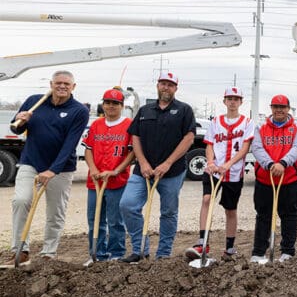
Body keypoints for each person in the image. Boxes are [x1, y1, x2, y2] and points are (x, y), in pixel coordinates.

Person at [5, 70, 88, 266]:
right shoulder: (35, 101)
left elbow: (70, 144)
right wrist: (19, 122)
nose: (62, 86)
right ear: (51, 84)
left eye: (66, 84)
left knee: (55, 211)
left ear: (73, 87)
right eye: (58, 83)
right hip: (31, 162)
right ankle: (20, 251)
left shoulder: (79, 111)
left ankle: (48, 254)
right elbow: (15, 128)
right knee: (20, 200)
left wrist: (53, 170)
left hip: (61, 168)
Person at [119, 72, 195, 262]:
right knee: (127, 205)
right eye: (163, 83)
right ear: (157, 85)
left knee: (168, 212)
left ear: (175, 88)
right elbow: (135, 136)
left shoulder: (184, 110)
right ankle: (140, 249)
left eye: (170, 85)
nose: (165, 87)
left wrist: (168, 163)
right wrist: (143, 162)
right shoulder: (145, 110)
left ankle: (163, 254)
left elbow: (189, 138)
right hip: (143, 171)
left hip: (172, 172)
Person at [185, 87, 254, 261]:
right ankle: (202, 243)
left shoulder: (247, 122)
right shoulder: (216, 121)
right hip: (214, 170)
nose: (232, 101)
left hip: (234, 173)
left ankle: (229, 248)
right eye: (229, 98)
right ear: (224, 101)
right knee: (207, 199)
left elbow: (245, 148)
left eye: (236, 99)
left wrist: (228, 165)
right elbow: (209, 144)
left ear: (240, 102)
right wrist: (210, 162)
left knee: (230, 209)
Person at [82, 88, 134, 265]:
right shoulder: (96, 124)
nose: (111, 106)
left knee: (115, 220)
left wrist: (116, 171)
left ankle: (116, 253)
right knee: (94, 218)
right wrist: (93, 169)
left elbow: (132, 153)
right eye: (108, 103)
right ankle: (96, 254)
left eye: (115, 103)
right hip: (95, 180)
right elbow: (88, 149)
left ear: (122, 105)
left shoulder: (128, 124)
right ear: (103, 104)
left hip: (116, 181)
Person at [250, 94, 297, 263]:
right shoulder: (261, 128)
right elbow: (257, 148)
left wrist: (283, 163)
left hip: (289, 179)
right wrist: (270, 164)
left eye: (282, 107)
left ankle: (287, 251)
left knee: (288, 214)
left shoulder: (296, 128)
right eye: (276, 107)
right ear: (271, 108)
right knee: (263, 215)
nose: (279, 110)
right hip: (266, 179)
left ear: (288, 109)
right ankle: (259, 252)